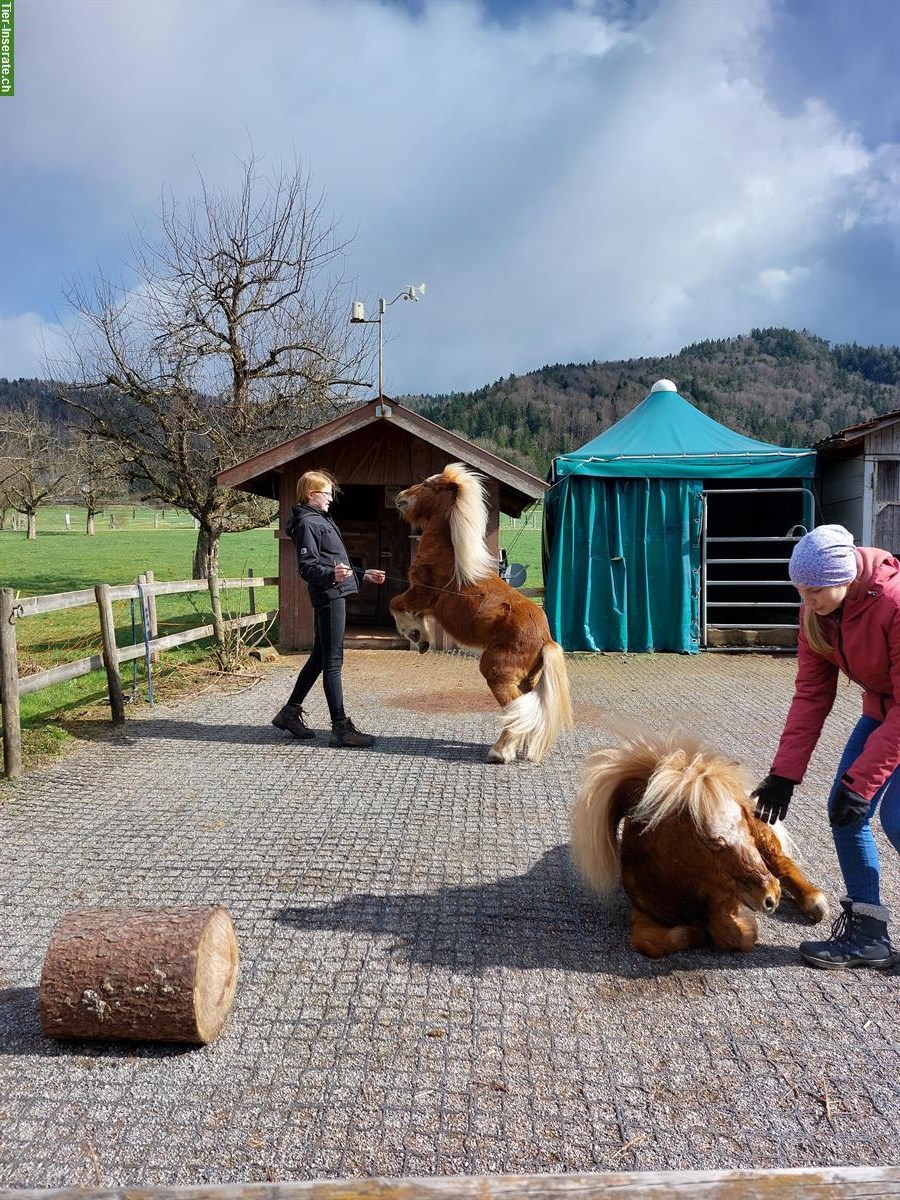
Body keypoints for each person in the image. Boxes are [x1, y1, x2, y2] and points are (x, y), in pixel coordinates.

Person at [752, 524, 899, 970]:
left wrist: (865, 781)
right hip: (880, 712)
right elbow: (812, 695)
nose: (806, 601)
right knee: (844, 809)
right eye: (800, 590)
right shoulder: (817, 614)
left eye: (814, 590)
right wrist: (784, 777)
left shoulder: (893, 604)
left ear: (845, 577)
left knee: (896, 820)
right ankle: (868, 934)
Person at [272, 470, 385, 748]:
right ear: (312, 494)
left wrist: (362, 573)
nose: (331, 499)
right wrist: (331, 575)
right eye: (327, 493)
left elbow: (335, 564)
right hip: (329, 596)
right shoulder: (308, 523)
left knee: (320, 658)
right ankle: (340, 728)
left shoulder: (321, 520)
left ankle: (289, 714)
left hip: (334, 592)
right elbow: (308, 567)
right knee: (333, 662)